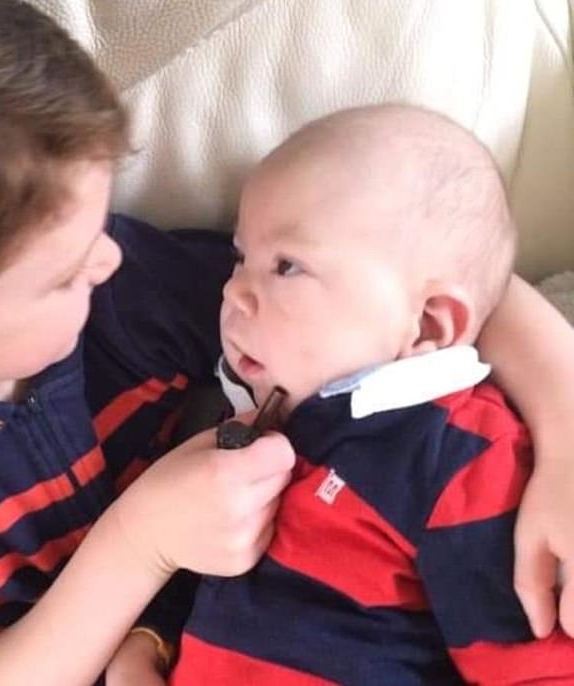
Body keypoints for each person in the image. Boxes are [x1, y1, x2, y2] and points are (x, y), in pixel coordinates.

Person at [0, 1, 572, 683]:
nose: (105, 260)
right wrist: (142, 546)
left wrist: (569, 426)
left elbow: (428, 288)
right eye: (60, 272)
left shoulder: (128, 283)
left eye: (99, 222)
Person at [166, 105, 574, 684]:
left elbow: (534, 667)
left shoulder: (457, 455)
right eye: (240, 258)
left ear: (429, 326)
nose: (235, 291)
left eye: (286, 266)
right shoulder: (258, 421)